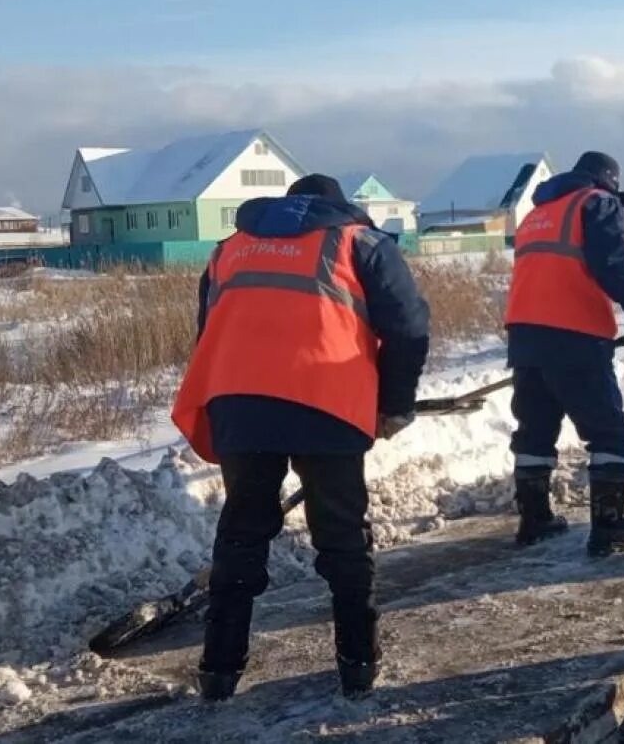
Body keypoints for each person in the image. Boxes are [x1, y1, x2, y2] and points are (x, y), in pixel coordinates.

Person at [171, 173, 430, 702]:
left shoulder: (230, 249)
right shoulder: (360, 242)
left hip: (239, 403)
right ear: (337, 207)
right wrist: (395, 405)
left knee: (242, 532)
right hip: (326, 402)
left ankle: (219, 671)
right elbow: (407, 327)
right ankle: (358, 663)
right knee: (341, 535)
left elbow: (210, 327)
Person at [503, 151, 624, 557]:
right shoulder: (596, 202)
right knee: (608, 432)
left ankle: (535, 520)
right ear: (607, 182)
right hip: (574, 336)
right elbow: (613, 264)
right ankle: (609, 528)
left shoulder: (537, 213)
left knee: (535, 430)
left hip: (525, 334)